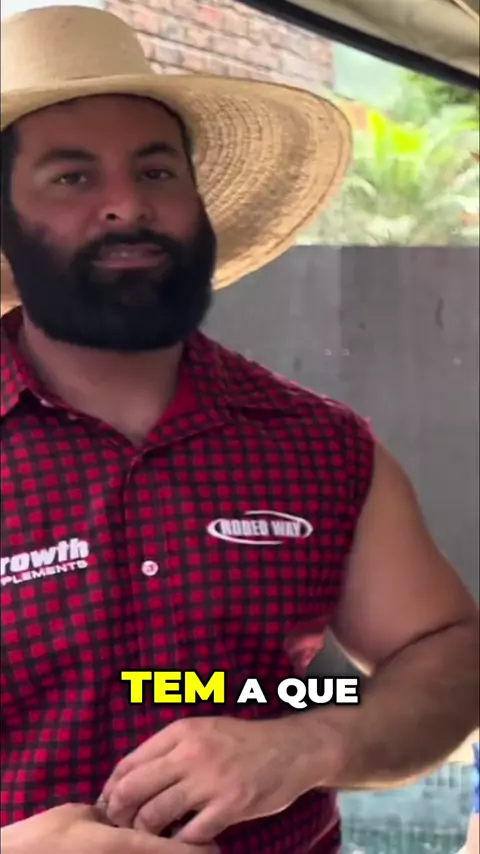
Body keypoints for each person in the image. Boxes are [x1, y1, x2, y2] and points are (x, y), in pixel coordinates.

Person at [1, 6, 478, 854]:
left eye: (157, 171)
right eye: (71, 178)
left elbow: (449, 653)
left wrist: (313, 740)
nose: (127, 206)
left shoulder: (319, 447)